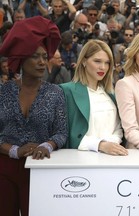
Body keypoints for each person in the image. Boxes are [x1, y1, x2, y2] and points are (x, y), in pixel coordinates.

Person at [0, 16, 67, 216]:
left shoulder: (55, 92)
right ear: (21, 59)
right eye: (35, 56)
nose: (41, 62)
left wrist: (45, 146)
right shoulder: (4, 92)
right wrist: (15, 151)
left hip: (40, 169)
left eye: (44, 57)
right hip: (5, 170)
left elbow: (62, 133)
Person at [60, 39, 128, 156]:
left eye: (107, 63)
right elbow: (65, 133)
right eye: (97, 61)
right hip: (79, 161)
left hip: (111, 158)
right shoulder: (66, 91)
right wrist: (100, 145)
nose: (103, 67)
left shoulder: (111, 94)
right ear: (84, 62)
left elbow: (118, 128)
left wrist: (111, 144)